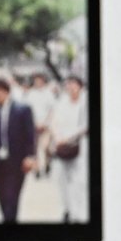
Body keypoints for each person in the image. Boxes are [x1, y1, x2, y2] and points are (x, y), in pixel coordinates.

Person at [0, 76, 39, 224]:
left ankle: (10, 223)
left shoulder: (23, 110)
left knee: (12, 197)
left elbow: (30, 134)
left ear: (4, 92)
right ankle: (7, 220)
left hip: (17, 161)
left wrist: (31, 156)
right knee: (1, 196)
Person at [51, 74, 91, 223]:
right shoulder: (62, 102)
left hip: (78, 146)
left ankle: (77, 213)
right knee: (61, 180)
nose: (71, 87)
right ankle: (66, 209)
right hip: (61, 146)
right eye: (68, 84)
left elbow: (85, 126)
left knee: (78, 181)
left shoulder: (84, 103)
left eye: (74, 84)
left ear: (80, 86)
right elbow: (54, 121)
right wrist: (57, 138)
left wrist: (69, 138)